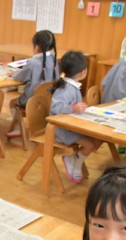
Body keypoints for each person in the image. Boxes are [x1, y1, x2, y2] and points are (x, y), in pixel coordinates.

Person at [50, 51, 103, 183]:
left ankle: (73, 159)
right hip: (62, 130)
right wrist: (73, 108)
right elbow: (55, 107)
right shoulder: (66, 88)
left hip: (71, 126)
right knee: (89, 145)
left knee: (97, 139)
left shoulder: (72, 86)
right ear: (82, 72)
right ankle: (75, 164)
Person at [6, 30, 58, 138]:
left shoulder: (33, 63)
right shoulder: (54, 59)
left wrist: (14, 73)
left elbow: (21, 76)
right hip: (50, 99)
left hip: (33, 99)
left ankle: (18, 129)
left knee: (12, 103)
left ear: (37, 47)